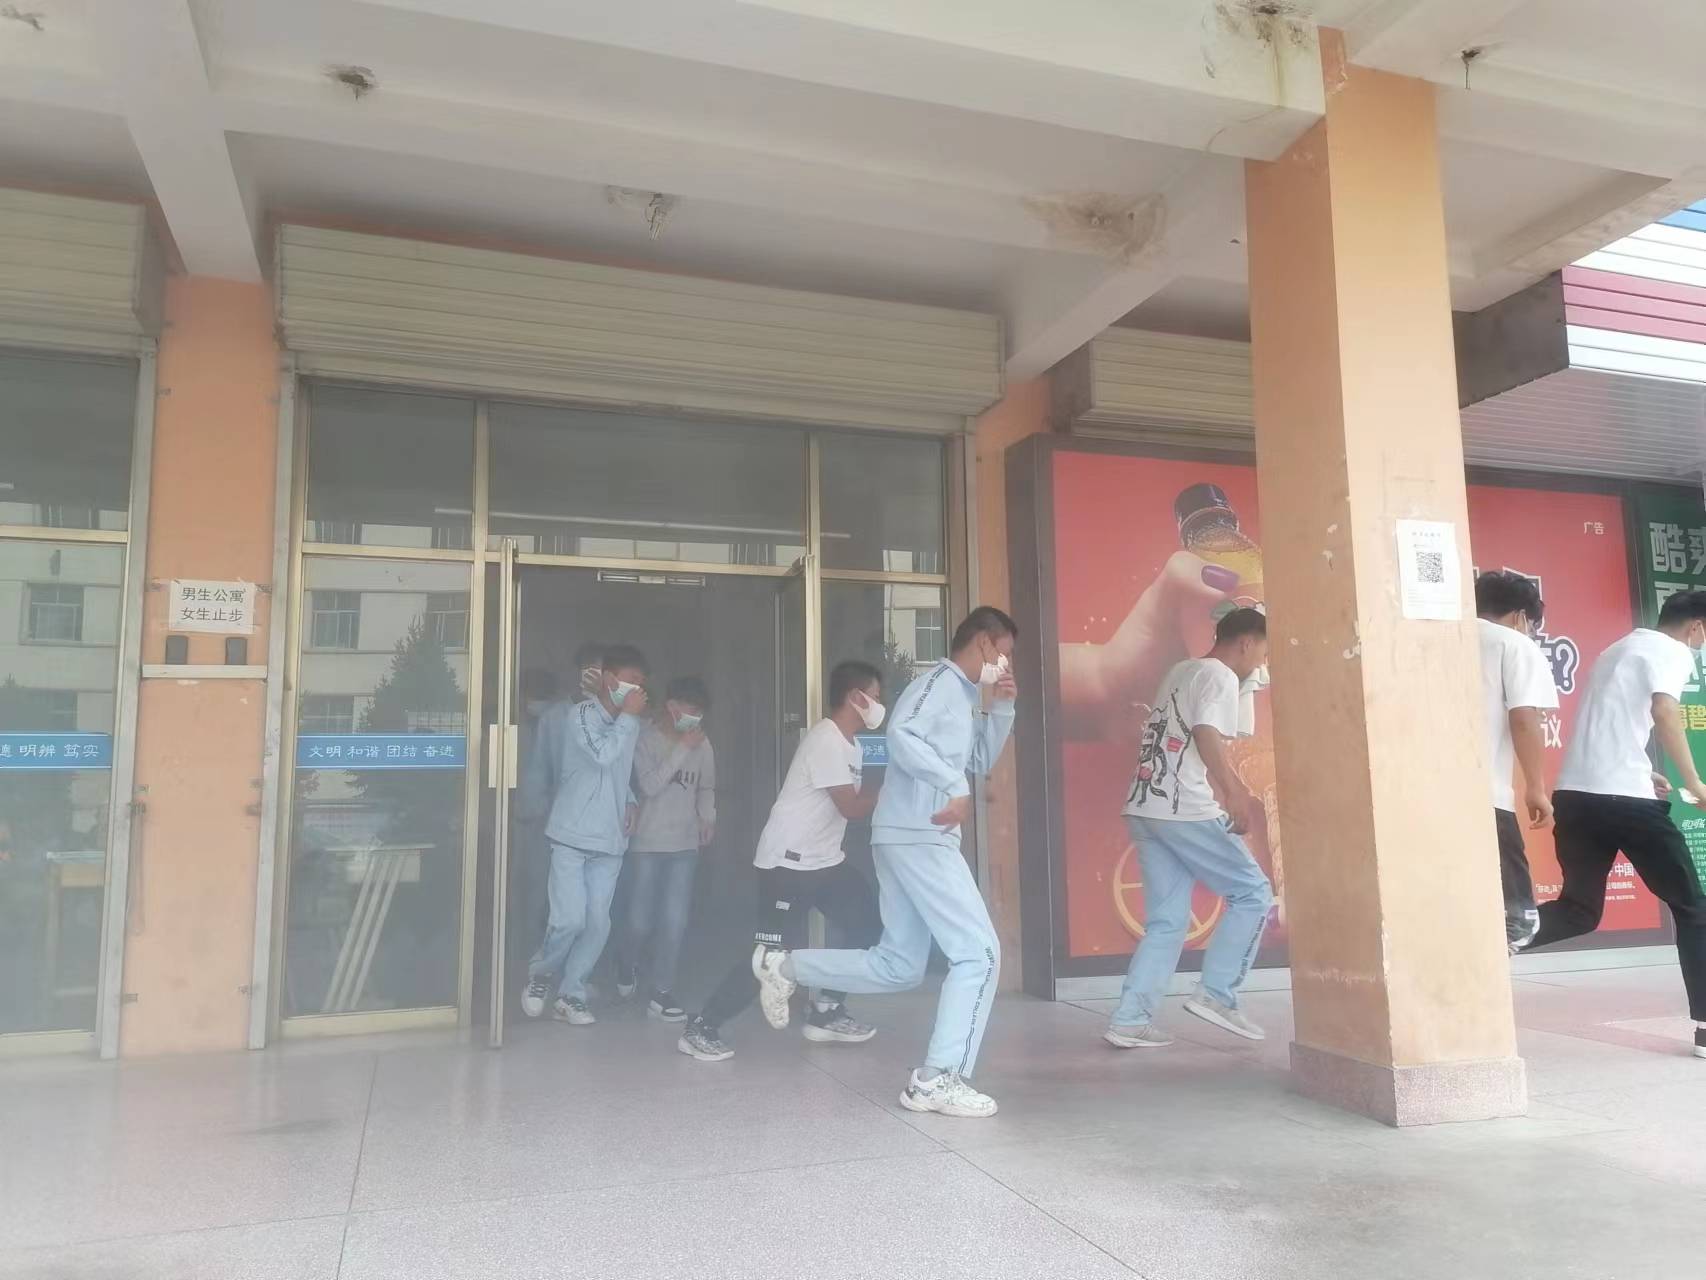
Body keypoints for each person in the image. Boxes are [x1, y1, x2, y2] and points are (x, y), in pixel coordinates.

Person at [753, 608, 1019, 1118]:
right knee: (979, 955)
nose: (1005, 664)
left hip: (908, 836)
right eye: (1003, 652)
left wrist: (1003, 709)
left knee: (897, 966)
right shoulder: (938, 682)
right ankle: (937, 1079)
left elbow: (978, 761)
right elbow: (902, 735)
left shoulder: (964, 696)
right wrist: (953, 785)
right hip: (921, 835)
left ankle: (784, 966)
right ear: (984, 643)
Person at [1523, 590, 1706, 1060]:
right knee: (1693, 907)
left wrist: (1645, 771)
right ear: (1696, 627)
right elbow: (1664, 712)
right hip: (1625, 802)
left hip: (1577, 798)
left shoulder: (1618, 649)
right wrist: (1694, 783)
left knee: (1578, 911)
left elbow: (1611, 724)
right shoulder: (1673, 651)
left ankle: (1492, 938)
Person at [678, 661, 887, 1062]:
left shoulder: (859, 745)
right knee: (770, 956)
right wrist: (878, 776)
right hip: (787, 864)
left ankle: (827, 1009)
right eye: (875, 697)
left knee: (866, 923)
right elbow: (853, 807)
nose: (880, 705)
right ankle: (702, 1026)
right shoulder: (825, 740)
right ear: (855, 698)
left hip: (826, 861)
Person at [1104, 606, 1273, 1050]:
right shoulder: (1218, 675)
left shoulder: (1184, 670)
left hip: (1145, 807)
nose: (1262, 663)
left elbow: (1231, 729)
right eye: (1263, 652)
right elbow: (1207, 732)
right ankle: (1217, 993)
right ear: (1246, 642)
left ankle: (1129, 1020)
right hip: (1183, 808)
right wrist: (1234, 791)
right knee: (1253, 893)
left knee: (1166, 922)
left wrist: (1247, 684)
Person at [518, 644, 649, 1025]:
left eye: (642, 683)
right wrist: (629, 717)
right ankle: (541, 974)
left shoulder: (629, 723)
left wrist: (630, 800)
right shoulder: (579, 716)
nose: (640, 690)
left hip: (610, 840)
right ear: (610, 680)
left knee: (597, 924)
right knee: (568, 920)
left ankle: (571, 994)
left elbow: (618, 772)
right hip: (571, 835)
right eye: (633, 681)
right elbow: (602, 755)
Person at [619, 676, 717, 1020]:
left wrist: (708, 818)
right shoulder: (646, 739)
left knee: (674, 921)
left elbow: (706, 787)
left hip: (684, 846)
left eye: (700, 714)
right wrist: (682, 749)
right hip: (647, 843)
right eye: (690, 711)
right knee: (639, 920)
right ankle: (626, 962)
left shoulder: (703, 744)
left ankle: (662, 990)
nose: (695, 719)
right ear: (671, 707)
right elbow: (650, 785)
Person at [1475, 571, 1560, 952]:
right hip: (1486, 793)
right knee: (1518, 920)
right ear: (1521, 617)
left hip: (1426, 791)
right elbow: (1525, 718)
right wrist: (1536, 788)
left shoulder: (1441, 638)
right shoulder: (1513, 643)